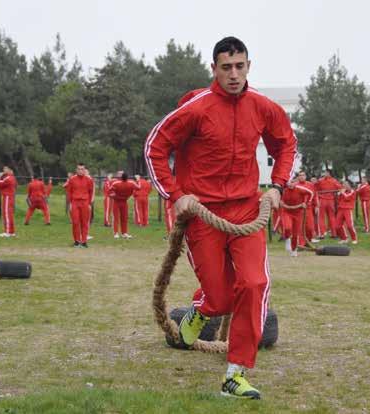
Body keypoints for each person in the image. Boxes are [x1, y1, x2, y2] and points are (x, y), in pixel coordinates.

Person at [145, 36, 297, 399]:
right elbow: (155, 147)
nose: (233, 74)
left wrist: (277, 186)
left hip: (246, 210)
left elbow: (286, 144)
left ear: (248, 66)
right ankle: (201, 310)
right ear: (213, 68)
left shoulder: (263, 107)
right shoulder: (196, 108)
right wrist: (176, 195)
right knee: (221, 298)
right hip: (203, 213)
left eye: (240, 66)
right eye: (226, 67)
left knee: (254, 284)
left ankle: (236, 373)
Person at [280, 179, 313, 257]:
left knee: (295, 234)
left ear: (296, 183)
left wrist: (307, 203)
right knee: (287, 228)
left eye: (293, 182)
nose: (291, 184)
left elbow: (311, 193)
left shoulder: (300, 189)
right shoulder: (284, 191)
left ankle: (294, 250)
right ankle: (287, 238)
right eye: (289, 182)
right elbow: (281, 202)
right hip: (287, 212)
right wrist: (284, 205)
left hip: (298, 214)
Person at [65, 164, 94, 247]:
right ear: (76, 170)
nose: (81, 171)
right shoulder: (72, 179)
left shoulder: (89, 180)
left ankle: (84, 241)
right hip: (75, 203)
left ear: (84, 170)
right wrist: (70, 203)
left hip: (85, 203)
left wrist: (89, 204)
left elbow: (91, 192)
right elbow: (69, 192)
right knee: (75, 222)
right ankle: (77, 241)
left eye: (82, 169)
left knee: (85, 223)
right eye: (79, 169)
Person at [110, 172, 140, 239]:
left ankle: (116, 233)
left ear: (121, 178)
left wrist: (113, 195)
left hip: (116, 201)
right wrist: (137, 180)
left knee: (116, 218)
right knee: (124, 218)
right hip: (124, 201)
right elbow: (138, 188)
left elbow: (109, 190)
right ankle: (124, 233)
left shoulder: (116, 183)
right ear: (127, 178)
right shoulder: (131, 183)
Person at [315, 169, 342, 238]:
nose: (324, 173)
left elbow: (315, 187)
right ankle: (334, 234)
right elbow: (340, 188)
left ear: (329, 173)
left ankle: (322, 233)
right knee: (331, 217)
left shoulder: (321, 180)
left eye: (325, 172)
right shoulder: (334, 181)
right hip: (331, 201)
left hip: (323, 200)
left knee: (321, 217)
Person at [296, 171, 319, 243]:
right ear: (298, 177)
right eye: (300, 175)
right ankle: (301, 243)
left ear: (305, 176)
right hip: (299, 208)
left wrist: (317, 206)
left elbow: (315, 195)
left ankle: (309, 240)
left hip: (309, 208)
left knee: (310, 227)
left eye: (303, 175)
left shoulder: (310, 185)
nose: (301, 177)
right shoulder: (295, 185)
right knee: (300, 227)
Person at [0, 166, 17, 237]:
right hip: (10, 196)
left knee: (6, 214)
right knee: (9, 214)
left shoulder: (8, 178)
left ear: (10, 170)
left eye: (5, 169)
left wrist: (0, 176)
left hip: (7, 197)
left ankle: (7, 232)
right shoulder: (12, 178)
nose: (4, 170)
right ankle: (12, 231)